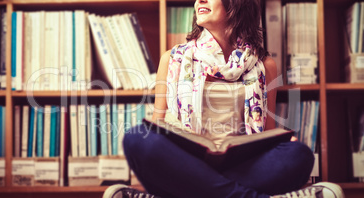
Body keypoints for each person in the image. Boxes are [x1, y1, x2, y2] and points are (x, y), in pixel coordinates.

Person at [103, 0, 344, 197]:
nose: (200, 1)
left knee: (299, 155)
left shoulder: (264, 65)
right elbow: (158, 125)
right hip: (186, 165)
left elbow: (266, 135)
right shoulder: (173, 58)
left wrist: (281, 143)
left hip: (241, 164)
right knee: (138, 139)